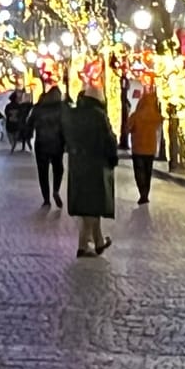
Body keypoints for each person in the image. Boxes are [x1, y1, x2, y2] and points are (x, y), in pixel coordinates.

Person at [63, 85, 118, 257]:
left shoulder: (73, 115)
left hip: (77, 163)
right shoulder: (98, 116)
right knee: (92, 206)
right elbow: (108, 140)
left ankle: (99, 241)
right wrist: (112, 157)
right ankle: (83, 245)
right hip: (95, 164)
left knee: (89, 204)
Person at [31, 84, 68, 207]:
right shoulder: (62, 108)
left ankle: (46, 199)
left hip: (41, 144)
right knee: (58, 169)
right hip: (57, 144)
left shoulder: (38, 108)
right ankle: (56, 190)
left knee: (43, 172)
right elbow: (67, 125)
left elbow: (28, 123)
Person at [128, 83, 163, 205]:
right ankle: (146, 193)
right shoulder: (155, 116)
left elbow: (129, 128)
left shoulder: (136, 116)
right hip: (150, 148)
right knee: (148, 172)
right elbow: (160, 123)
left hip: (138, 148)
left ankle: (142, 192)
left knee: (139, 171)